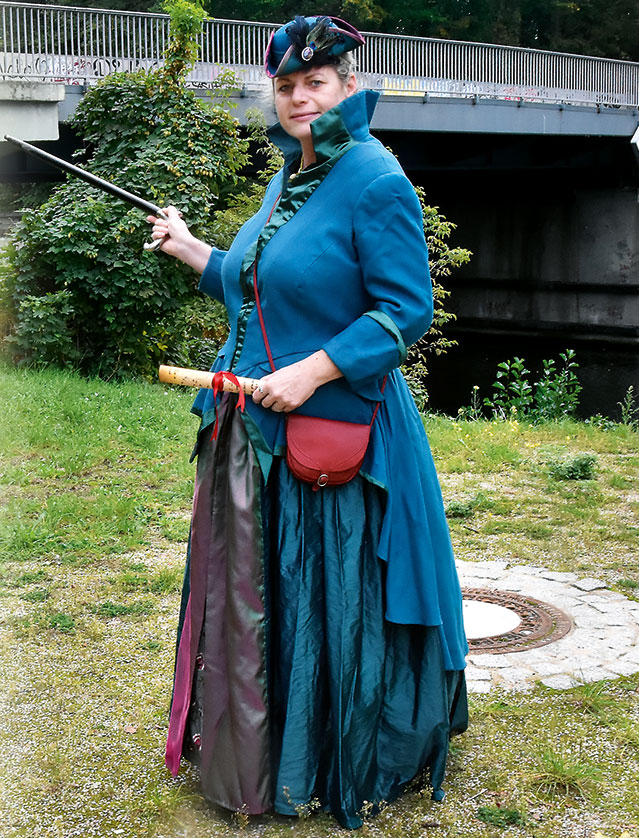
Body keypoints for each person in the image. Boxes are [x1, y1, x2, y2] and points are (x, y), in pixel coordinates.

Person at [147, 14, 469, 830]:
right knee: (265, 599)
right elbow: (264, 282)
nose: (298, 97)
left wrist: (315, 370)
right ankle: (260, 745)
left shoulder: (373, 179)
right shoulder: (293, 177)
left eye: (314, 83)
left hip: (337, 440)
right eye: (286, 85)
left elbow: (406, 311)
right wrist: (194, 251)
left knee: (323, 600)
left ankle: (323, 755)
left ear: (347, 88)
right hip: (254, 431)